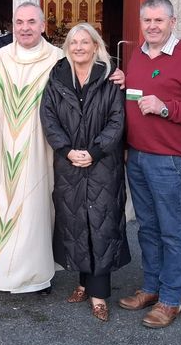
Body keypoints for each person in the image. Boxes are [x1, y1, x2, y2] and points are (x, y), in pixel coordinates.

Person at [112, 0, 181, 328]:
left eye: (160, 20)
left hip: (167, 160)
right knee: (148, 228)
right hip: (138, 157)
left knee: (171, 231)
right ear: (141, 23)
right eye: (147, 20)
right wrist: (121, 84)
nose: (153, 26)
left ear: (173, 22)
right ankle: (151, 287)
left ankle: (171, 299)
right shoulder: (138, 55)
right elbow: (134, 98)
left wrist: (167, 108)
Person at [0, 2, 64, 293]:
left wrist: (118, 77)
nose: (25, 28)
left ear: (43, 26)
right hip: (3, 146)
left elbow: (87, 79)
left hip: (40, 148)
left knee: (36, 208)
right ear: (13, 25)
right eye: (19, 22)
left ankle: (37, 274)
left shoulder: (59, 59)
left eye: (31, 22)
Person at [40, 23, 129, 322]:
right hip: (69, 163)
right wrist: (67, 150)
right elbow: (48, 117)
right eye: (73, 42)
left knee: (101, 224)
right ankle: (81, 282)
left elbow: (117, 121)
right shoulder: (57, 77)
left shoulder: (109, 77)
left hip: (103, 163)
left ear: (95, 45)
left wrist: (94, 151)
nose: (79, 47)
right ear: (68, 47)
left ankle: (99, 294)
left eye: (85, 42)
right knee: (76, 222)